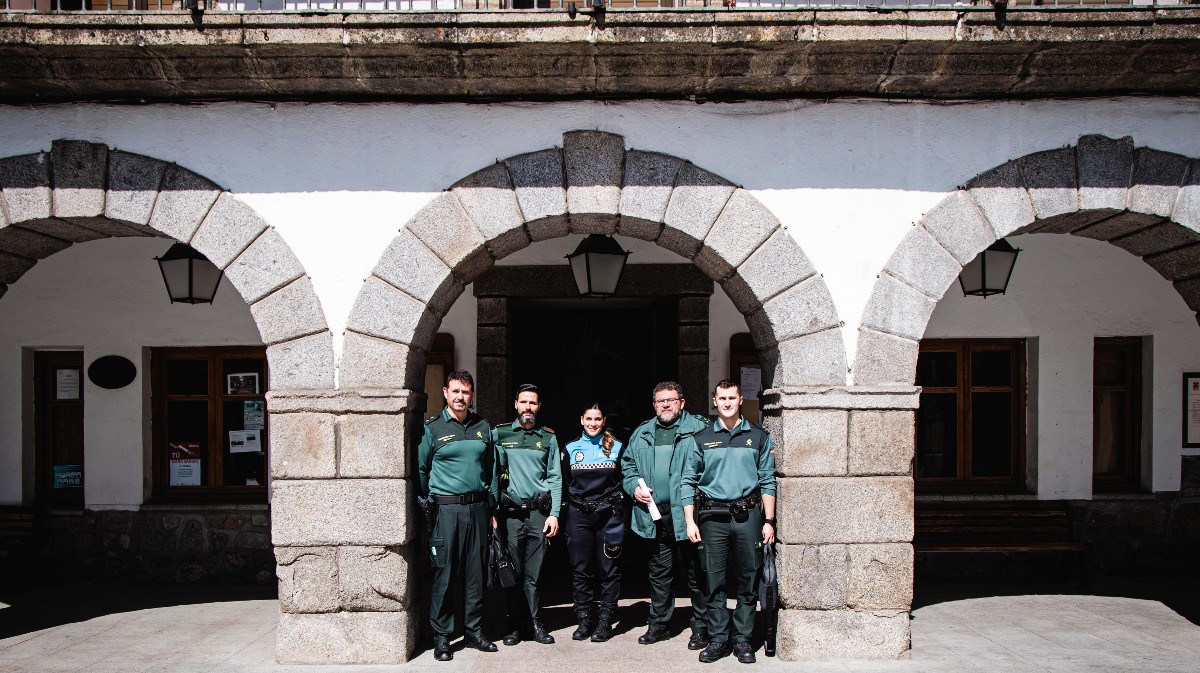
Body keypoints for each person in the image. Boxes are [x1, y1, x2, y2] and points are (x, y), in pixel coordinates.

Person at [681, 379, 776, 665]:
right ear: (714, 401)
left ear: (740, 400)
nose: (727, 403)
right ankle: (719, 639)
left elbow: (768, 480)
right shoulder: (701, 439)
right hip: (712, 519)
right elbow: (688, 482)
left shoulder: (758, 437)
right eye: (721, 398)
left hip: (748, 518)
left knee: (749, 580)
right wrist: (690, 521)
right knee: (714, 581)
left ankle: (743, 640)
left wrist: (769, 520)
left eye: (732, 398)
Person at [416, 370, 500, 662]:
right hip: (446, 510)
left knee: (476, 573)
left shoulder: (483, 427)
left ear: (472, 395)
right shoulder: (433, 428)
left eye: (465, 392)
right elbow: (422, 471)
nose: (460, 397)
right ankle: (443, 637)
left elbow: (491, 470)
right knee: (444, 573)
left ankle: (475, 631)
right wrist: (435, 499)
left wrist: (491, 508)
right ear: (445, 393)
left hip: (478, 509)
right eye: (455, 392)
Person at [619, 381, 710, 649]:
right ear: (654, 405)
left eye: (671, 400)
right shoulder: (642, 432)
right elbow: (628, 467)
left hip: (689, 516)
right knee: (659, 574)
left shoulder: (700, 429)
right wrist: (633, 488)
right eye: (661, 401)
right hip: (655, 517)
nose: (666, 405)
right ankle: (659, 626)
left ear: (682, 402)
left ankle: (701, 629)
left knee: (696, 574)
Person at [494, 384, 562, 647]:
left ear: (539, 407)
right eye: (524, 402)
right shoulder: (499, 434)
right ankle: (513, 625)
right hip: (511, 515)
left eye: (533, 403)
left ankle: (534, 623)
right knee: (512, 573)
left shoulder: (548, 438)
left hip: (539, 514)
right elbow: (492, 475)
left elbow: (555, 478)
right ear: (516, 404)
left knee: (533, 575)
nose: (528, 408)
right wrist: (494, 511)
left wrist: (554, 514)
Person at [561, 403, 625, 643]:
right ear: (581, 420)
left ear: (603, 420)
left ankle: (605, 620)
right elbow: (565, 479)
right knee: (581, 570)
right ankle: (585, 619)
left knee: (609, 569)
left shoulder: (616, 447)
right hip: (579, 515)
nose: (593, 423)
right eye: (589, 419)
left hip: (608, 515)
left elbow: (623, 478)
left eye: (597, 419)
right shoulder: (569, 448)